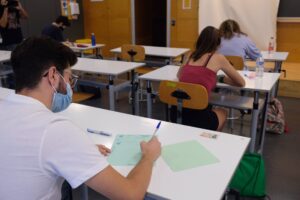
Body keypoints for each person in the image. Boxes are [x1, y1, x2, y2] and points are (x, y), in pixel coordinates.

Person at [0, 36, 161, 199]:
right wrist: (148, 156)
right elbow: (131, 195)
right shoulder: (55, 131)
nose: (71, 86)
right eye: (69, 78)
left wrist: (79, 150)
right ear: (53, 76)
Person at [175, 26, 245, 131]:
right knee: (223, 112)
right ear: (217, 44)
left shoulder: (189, 55)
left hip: (177, 115)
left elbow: (179, 76)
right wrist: (222, 79)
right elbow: (241, 82)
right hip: (200, 119)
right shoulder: (218, 58)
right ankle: (211, 141)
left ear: (199, 40)